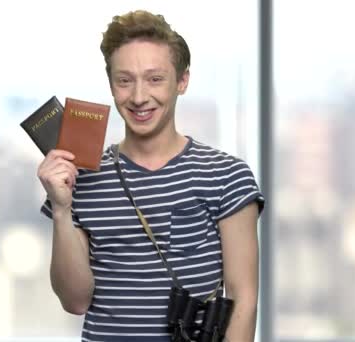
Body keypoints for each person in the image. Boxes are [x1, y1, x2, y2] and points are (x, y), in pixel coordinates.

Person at [37, 10, 264, 342]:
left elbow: (244, 299)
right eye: (125, 80)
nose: (139, 96)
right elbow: (74, 301)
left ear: (182, 81)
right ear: (111, 85)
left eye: (155, 79)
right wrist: (61, 209)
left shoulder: (227, 176)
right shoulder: (81, 179)